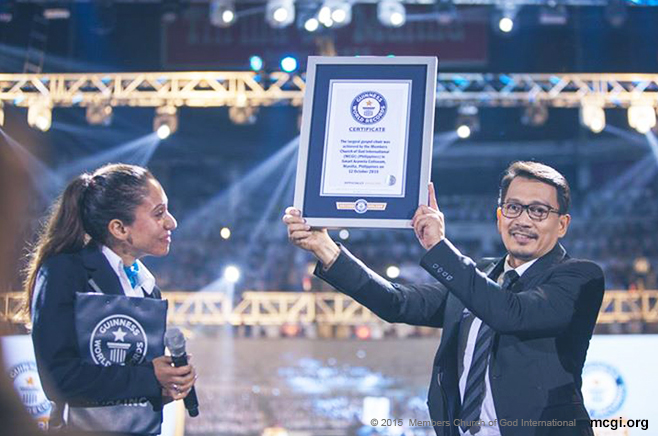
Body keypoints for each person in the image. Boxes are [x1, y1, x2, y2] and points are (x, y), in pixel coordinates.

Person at [283, 161, 604, 436]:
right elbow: (398, 303)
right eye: (513, 207)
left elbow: (512, 313)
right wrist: (324, 247)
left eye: (538, 211)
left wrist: (440, 247)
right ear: (499, 216)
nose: (522, 220)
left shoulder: (580, 277)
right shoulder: (479, 277)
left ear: (562, 224)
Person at [24, 163, 196, 434]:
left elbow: (134, 383)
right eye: (159, 213)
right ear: (119, 228)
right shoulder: (64, 272)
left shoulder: (147, 288)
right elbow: (59, 378)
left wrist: (166, 384)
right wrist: (150, 376)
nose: (171, 222)